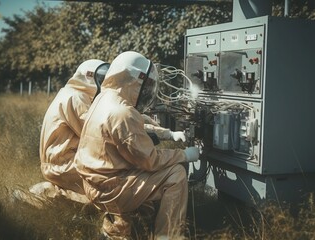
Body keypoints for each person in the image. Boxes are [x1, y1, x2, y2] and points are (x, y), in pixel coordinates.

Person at [74, 51, 200, 239]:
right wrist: (185, 155)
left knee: (139, 174)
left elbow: (136, 124)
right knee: (175, 175)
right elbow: (150, 160)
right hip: (110, 189)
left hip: (94, 182)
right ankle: (167, 236)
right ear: (135, 81)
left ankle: (113, 233)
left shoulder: (105, 98)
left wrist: (168, 134)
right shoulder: (122, 112)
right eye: (146, 84)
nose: (147, 90)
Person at [28, 59, 110, 204]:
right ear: (90, 78)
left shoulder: (72, 94)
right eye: (101, 79)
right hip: (63, 163)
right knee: (108, 189)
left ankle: (50, 195)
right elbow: (95, 133)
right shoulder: (76, 98)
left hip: (61, 160)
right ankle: (39, 195)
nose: (103, 84)